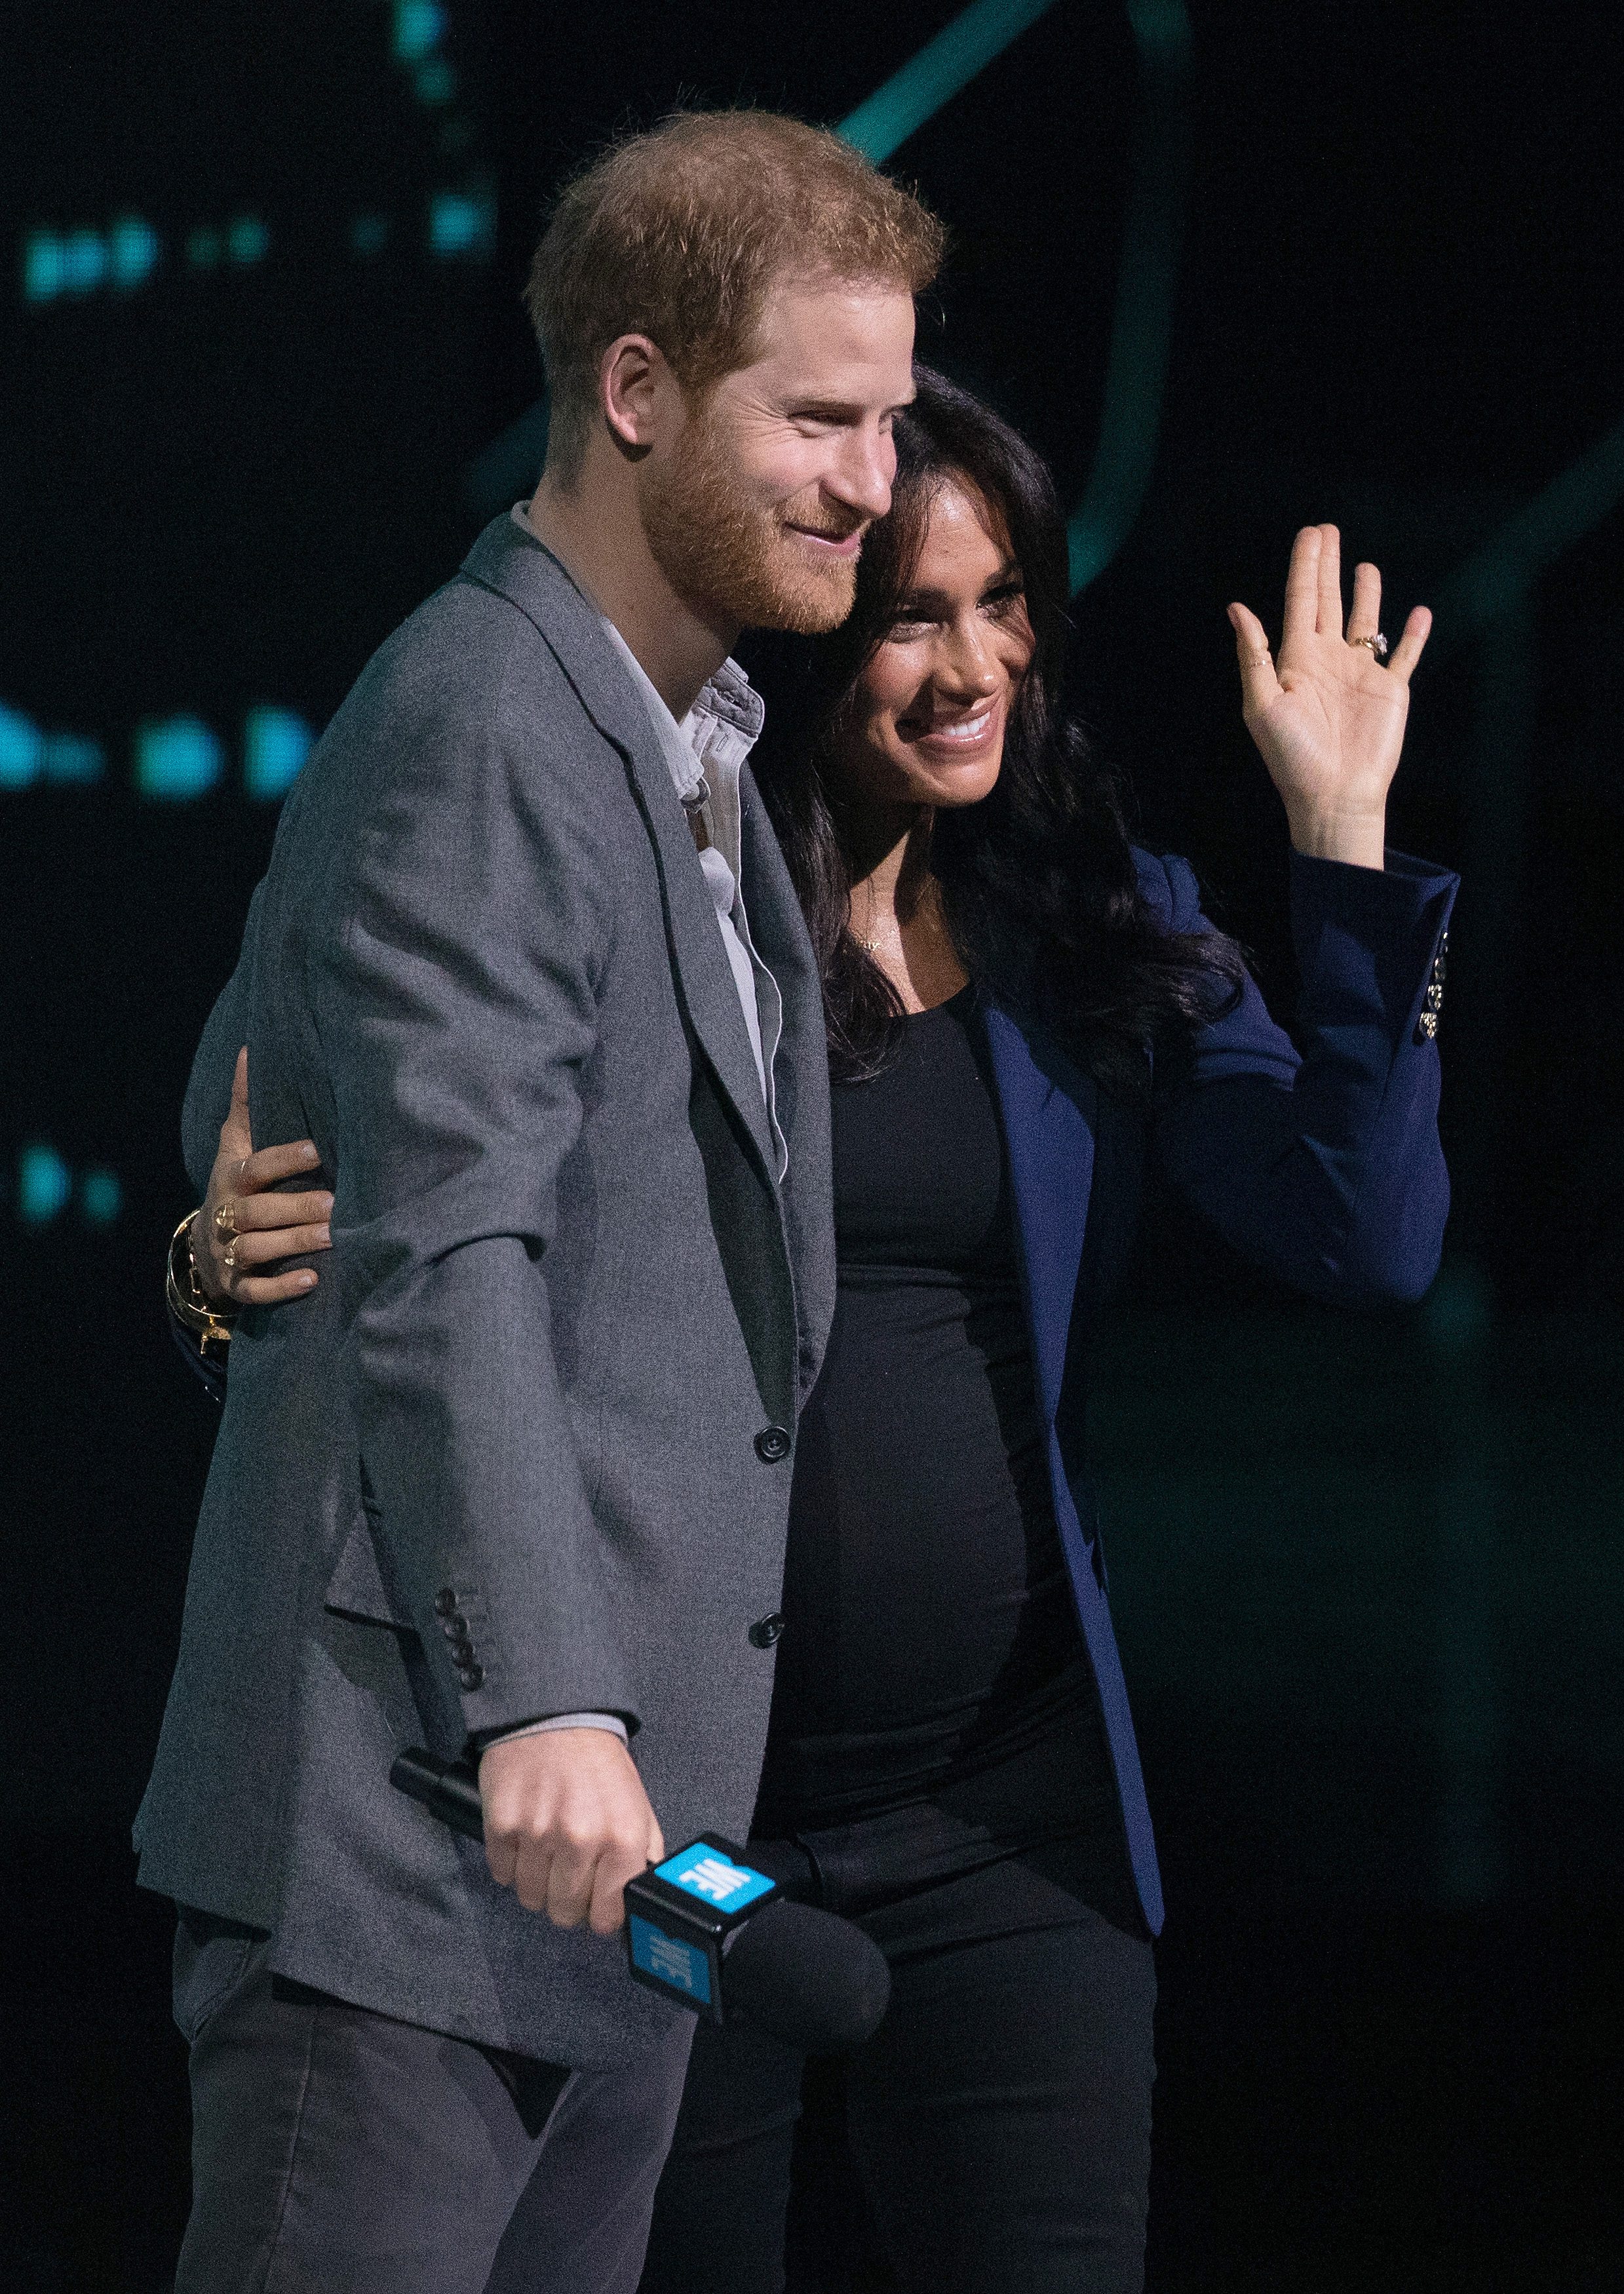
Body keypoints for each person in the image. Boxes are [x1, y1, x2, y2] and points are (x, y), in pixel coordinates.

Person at [193, 371, 1456, 2291]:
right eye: (908, 617)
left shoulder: (1088, 922)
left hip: (1006, 1825)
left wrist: (1342, 837)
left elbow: (1363, 1238)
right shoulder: (646, 911)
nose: (974, 667)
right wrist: (213, 1261)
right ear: (800, 634)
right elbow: (382, 1221)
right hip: (686, 1835)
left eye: (1005, 600)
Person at [140, 111, 942, 2294]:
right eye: (820, 414)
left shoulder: (677, 738)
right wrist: (547, 1705)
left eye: (887, 418)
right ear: (636, 388)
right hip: (422, 1835)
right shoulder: (487, 709)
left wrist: (226, 1204)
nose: (873, 479)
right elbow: (446, 1245)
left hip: (602, 1864)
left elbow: (272, 1055)